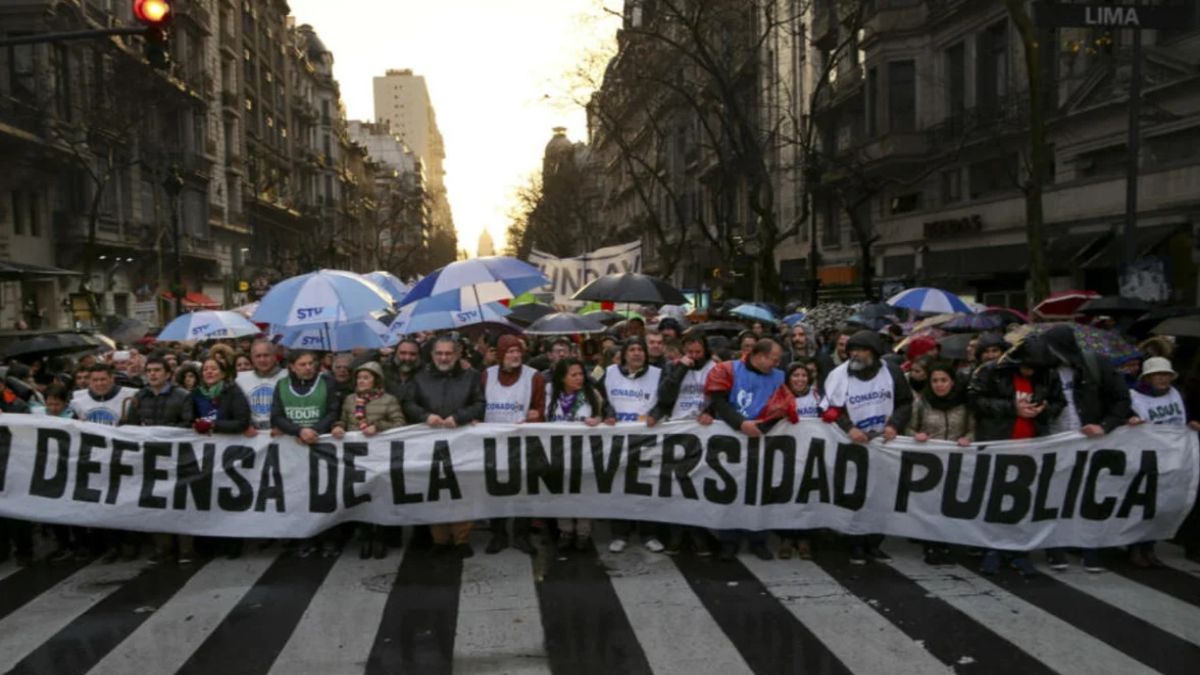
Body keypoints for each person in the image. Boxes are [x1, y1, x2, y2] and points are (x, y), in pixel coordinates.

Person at [970, 337, 1065, 576]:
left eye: (1035, 368)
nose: (1030, 372)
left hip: (1031, 447)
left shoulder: (1048, 375)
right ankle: (990, 550)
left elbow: (1058, 402)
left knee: (1022, 503)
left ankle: (1019, 552)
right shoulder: (992, 372)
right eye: (1027, 366)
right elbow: (975, 400)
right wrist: (1012, 408)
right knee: (993, 500)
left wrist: (1044, 410)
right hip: (998, 443)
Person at [1041, 323, 1132, 573]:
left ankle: (1090, 548)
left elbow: (1121, 398)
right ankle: (1055, 548)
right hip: (1054, 442)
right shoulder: (1043, 370)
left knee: (1089, 497)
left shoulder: (1096, 365)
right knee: (1053, 497)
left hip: (1090, 444)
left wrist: (1105, 425)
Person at [819, 330, 913, 564]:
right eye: (852, 350)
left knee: (881, 496)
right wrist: (848, 427)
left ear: (873, 353)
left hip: (883, 444)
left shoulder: (892, 372)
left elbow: (905, 402)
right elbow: (829, 408)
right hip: (853, 445)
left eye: (861, 350)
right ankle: (855, 544)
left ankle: (874, 543)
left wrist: (894, 424)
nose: (855, 355)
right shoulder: (839, 375)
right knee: (856, 494)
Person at [705, 337, 796, 561]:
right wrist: (740, 424)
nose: (776, 364)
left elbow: (783, 407)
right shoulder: (727, 370)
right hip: (731, 440)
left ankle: (758, 538)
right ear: (759, 356)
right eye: (773, 359)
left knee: (759, 491)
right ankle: (728, 539)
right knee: (730, 491)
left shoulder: (779, 377)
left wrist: (764, 427)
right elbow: (719, 402)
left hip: (761, 440)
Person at [404, 335, 486, 558]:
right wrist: (425, 416)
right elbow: (409, 403)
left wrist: (459, 417)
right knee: (434, 490)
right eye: (439, 353)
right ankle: (439, 539)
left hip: (462, 443)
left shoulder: (471, 376)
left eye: (448, 353)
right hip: (430, 443)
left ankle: (462, 539)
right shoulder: (419, 378)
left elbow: (479, 403)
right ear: (432, 355)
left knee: (463, 489)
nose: (443, 357)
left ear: (457, 354)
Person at [1127, 356, 1200, 568]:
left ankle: (1149, 547)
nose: (1163, 379)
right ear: (1148, 377)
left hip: (1171, 458)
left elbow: (1181, 419)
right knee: (1142, 504)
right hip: (1146, 458)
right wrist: (1130, 420)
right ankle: (1135, 548)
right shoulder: (1134, 396)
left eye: (1166, 375)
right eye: (1158, 375)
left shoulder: (1176, 394)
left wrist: (1191, 423)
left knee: (1161, 504)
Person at [125, 355, 196, 564]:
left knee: (180, 501)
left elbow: (188, 424)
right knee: (154, 501)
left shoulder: (182, 396)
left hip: (177, 457)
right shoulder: (140, 397)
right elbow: (131, 426)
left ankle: (186, 548)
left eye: (157, 370)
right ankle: (162, 548)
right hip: (149, 458)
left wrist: (160, 432)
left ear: (168, 374)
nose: (153, 374)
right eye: (149, 371)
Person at [651, 330, 716, 556]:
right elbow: (665, 396)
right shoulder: (672, 367)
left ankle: (699, 534)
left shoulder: (714, 369)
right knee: (676, 486)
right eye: (690, 352)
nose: (695, 356)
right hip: (676, 432)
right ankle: (676, 534)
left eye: (698, 352)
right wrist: (681, 369)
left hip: (702, 434)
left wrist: (709, 411)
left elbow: (720, 397)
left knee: (697, 486)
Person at [331, 361, 405, 559]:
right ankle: (365, 536)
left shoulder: (389, 400)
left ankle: (381, 536)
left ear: (376, 380)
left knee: (380, 494)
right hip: (356, 457)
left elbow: (399, 423)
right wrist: (338, 427)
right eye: (359, 378)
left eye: (366, 378)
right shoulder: (349, 400)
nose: (361, 381)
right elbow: (343, 420)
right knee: (360, 495)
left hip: (380, 456)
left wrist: (378, 426)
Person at [270, 350, 341, 557]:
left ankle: (329, 539)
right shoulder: (282, 386)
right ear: (292, 366)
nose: (308, 367)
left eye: (311, 363)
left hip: (322, 446)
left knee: (326, 494)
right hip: (294, 448)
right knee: (299, 495)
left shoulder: (327, 382)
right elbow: (276, 416)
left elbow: (332, 411)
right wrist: (298, 431)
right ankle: (305, 537)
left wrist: (315, 430)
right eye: (302, 364)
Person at [598, 336, 665, 553]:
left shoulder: (657, 374)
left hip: (647, 439)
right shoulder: (609, 373)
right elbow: (599, 398)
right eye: (632, 349)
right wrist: (607, 413)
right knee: (619, 487)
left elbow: (666, 401)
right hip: (618, 439)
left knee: (647, 486)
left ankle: (649, 533)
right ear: (624, 353)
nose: (637, 353)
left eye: (640, 349)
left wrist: (655, 414)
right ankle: (620, 533)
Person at [480, 335, 545, 555]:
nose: (515, 355)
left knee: (523, 489)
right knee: (494, 488)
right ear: (500, 354)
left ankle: (521, 534)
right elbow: (478, 404)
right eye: (509, 352)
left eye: (518, 351)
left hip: (522, 443)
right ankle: (498, 533)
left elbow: (540, 407)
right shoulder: (486, 376)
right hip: (492, 443)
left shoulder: (533, 377)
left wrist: (536, 415)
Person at [907, 360, 974, 566]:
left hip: (956, 461)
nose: (939, 385)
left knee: (951, 503)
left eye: (944, 380)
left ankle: (948, 542)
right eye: (935, 380)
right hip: (930, 463)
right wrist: (916, 435)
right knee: (931, 503)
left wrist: (968, 439)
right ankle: (931, 544)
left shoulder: (964, 405)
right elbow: (909, 428)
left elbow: (972, 429)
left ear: (952, 382)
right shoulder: (921, 403)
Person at [545, 357, 611, 551]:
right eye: (573, 375)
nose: (579, 378)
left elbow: (604, 414)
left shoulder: (592, 394)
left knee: (583, 492)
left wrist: (599, 419)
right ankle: (565, 529)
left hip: (584, 453)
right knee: (560, 493)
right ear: (562, 377)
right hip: (556, 453)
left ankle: (583, 531)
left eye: (581, 374)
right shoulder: (550, 392)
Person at [191, 357, 253, 559]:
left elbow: (242, 422)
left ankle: (232, 542)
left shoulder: (232, 392)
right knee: (205, 497)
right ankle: (209, 542)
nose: (209, 372)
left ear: (224, 373)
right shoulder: (196, 394)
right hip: (204, 454)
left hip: (228, 454)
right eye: (206, 369)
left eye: (214, 369)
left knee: (228, 497)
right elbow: (188, 419)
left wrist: (213, 426)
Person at [778, 361, 821, 560]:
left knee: (807, 497)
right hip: (785, 455)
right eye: (795, 375)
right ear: (788, 379)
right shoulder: (779, 396)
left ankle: (804, 538)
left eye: (804, 375)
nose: (800, 379)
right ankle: (786, 538)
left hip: (810, 455)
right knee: (786, 496)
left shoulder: (816, 397)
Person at [0, 377, 32, 566]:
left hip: (13, 463)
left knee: (17, 511)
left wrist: (5, 421)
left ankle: (24, 549)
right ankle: (2, 548)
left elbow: (27, 432)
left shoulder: (17, 405)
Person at [236, 339, 287, 436]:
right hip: (252, 436)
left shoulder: (288, 377)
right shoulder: (240, 380)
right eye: (258, 356)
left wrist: (285, 427)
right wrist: (245, 426)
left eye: (266, 355)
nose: (262, 360)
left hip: (281, 436)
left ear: (274, 357)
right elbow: (236, 411)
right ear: (252, 358)